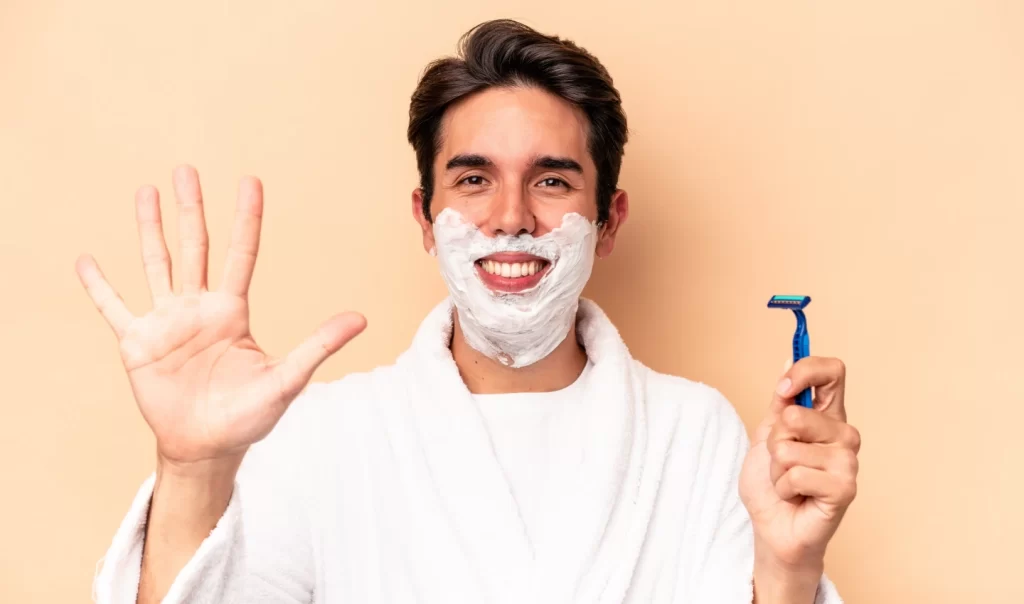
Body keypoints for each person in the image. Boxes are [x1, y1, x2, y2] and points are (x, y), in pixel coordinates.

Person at [84, 19, 859, 604]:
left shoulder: (692, 435)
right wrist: (189, 470)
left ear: (609, 220)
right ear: (425, 218)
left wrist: (790, 568)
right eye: (474, 181)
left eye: (552, 182)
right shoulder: (324, 437)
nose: (511, 217)